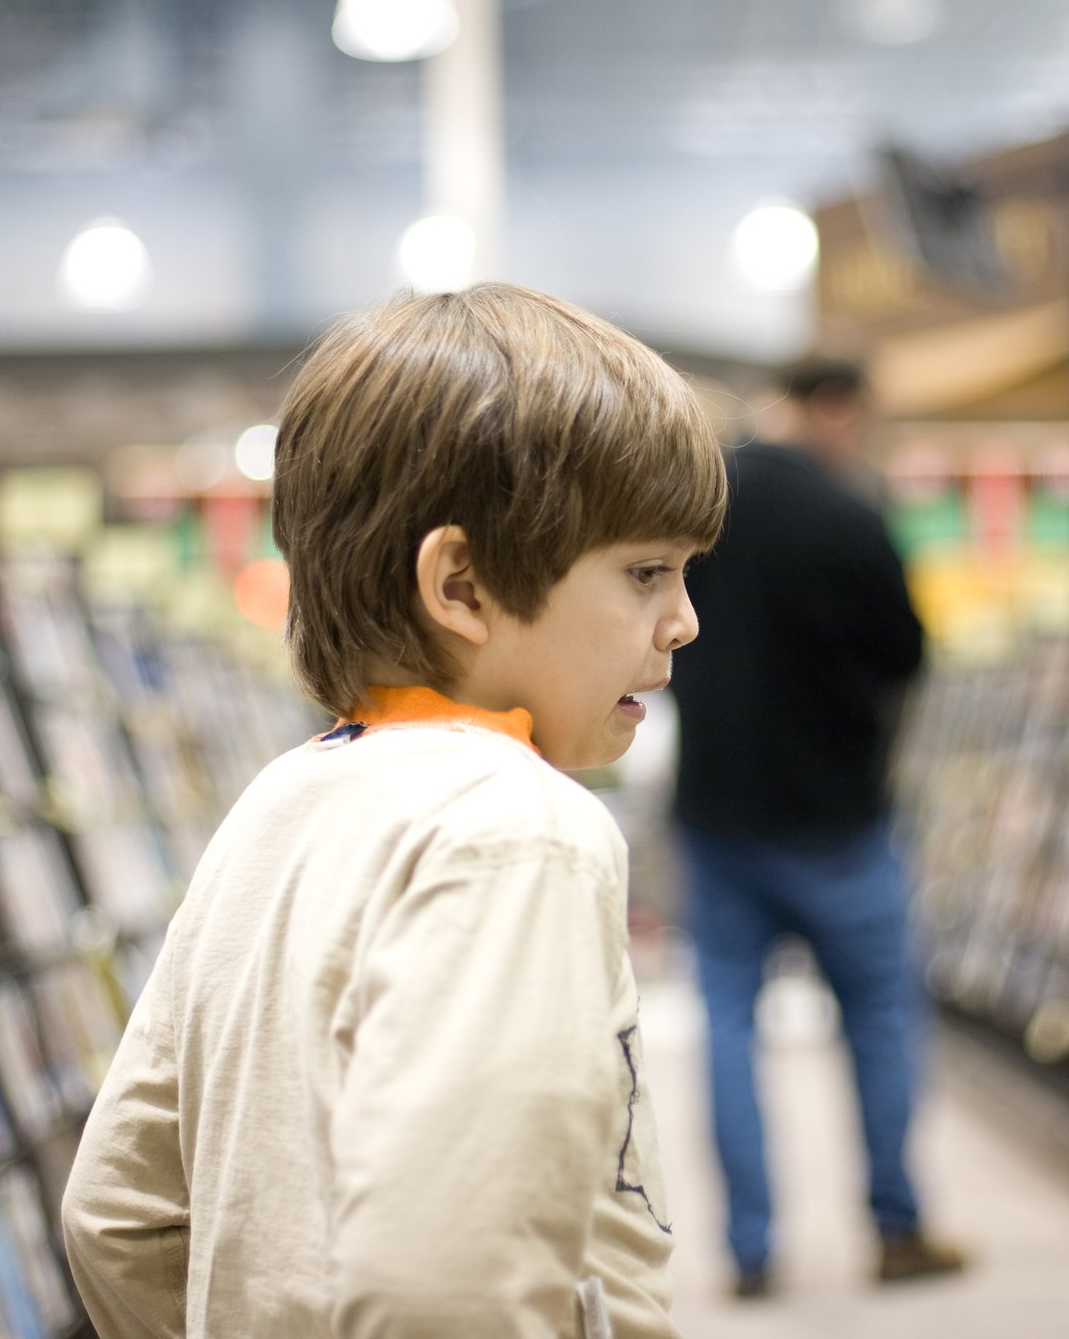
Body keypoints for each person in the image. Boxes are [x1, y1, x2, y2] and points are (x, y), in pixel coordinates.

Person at [61, 282, 726, 1338]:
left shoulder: (278, 802)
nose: (683, 620)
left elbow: (118, 1213)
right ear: (461, 584)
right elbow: (442, 1290)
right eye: (646, 571)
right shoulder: (524, 834)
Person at [670, 357, 963, 1298]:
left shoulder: (700, 514)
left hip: (718, 814)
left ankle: (749, 1249)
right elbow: (907, 654)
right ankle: (897, 1228)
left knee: (725, 1020)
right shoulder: (851, 516)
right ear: (837, 409)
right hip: (839, 816)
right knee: (877, 1019)